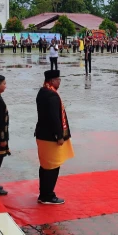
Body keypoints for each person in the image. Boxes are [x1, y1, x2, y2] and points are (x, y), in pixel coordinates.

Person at [34, 70, 74, 205]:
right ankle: (48, 195)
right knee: (52, 166)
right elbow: (54, 118)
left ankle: (43, 193)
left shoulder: (42, 91)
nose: (60, 82)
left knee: (45, 166)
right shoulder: (52, 95)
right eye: (58, 80)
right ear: (51, 81)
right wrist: (59, 135)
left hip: (42, 134)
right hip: (50, 137)